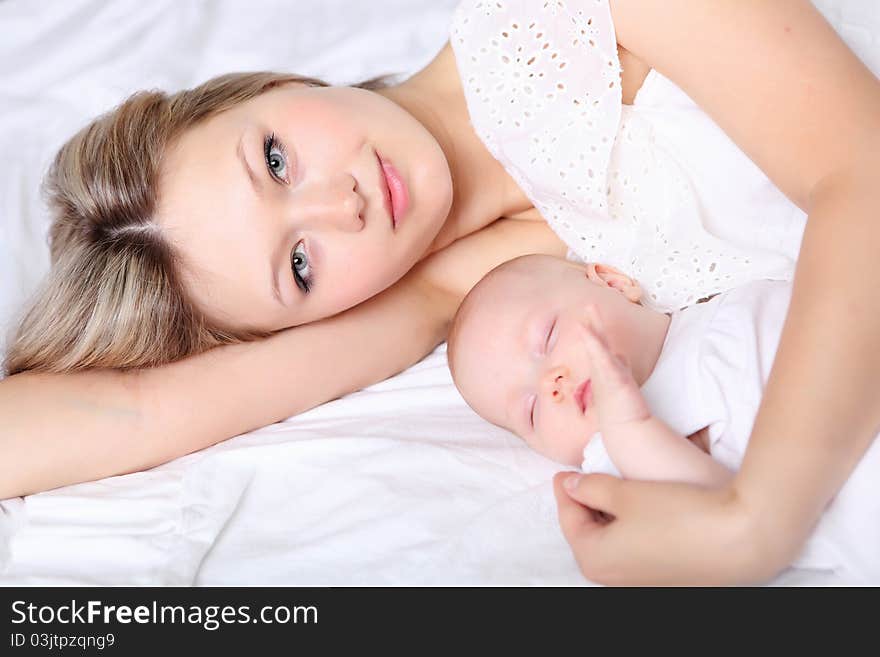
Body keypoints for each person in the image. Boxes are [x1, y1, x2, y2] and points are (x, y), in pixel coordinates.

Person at [1, 0, 879, 585]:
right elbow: (140, 414)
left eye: (273, 159)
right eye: (299, 266)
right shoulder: (454, 290)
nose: (336, 207)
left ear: (271, 85)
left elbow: (864, 174)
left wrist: (755, 520)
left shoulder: (577, 11)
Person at [446, 254, 880, 584]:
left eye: (548, 337)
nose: (551, 383)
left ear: (614, 283)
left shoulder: (721, 298)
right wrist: (630, 429)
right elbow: (717, 515)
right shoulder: (616, 457)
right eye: (531, 411)